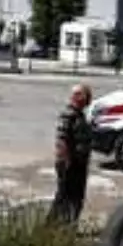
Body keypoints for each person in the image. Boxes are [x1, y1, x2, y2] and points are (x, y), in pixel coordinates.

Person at [47, 83, 94, 225]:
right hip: (70, 163)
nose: (89, 100)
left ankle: (68, 223)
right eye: (87, 96)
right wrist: (66, 161)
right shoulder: (69, 114)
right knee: (65, 196)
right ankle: (53, 225)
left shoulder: (80, 114)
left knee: (75, 196)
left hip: (78, 163)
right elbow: (61, 140)